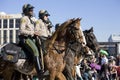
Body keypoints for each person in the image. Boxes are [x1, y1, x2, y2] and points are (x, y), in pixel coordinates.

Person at [19, 4, 43, 79]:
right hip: (25, 39)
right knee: (35, 51)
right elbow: (21, 30)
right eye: (30, 10)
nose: (32, 11)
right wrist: (33, 33)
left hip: (31, 38)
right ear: (26, 11)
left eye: (32, 9)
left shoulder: (30, 20)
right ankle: (39, 72)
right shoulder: (24, 18)